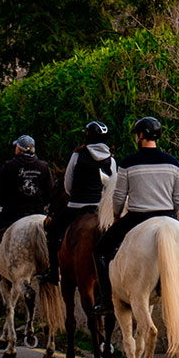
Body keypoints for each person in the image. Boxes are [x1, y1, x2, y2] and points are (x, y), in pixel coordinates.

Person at [93, 116, 179, 314]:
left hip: (137, 217)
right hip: (167, 214)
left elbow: (119, 196)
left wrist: (116, 214)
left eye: (136, 135)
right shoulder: (173, 162)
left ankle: (105, 301)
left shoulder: (128, 163)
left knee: (100, 251)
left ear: (141, 135)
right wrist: (171, 213)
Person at [41, 121, 115, 302]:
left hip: (77, 207)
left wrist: (76, 194)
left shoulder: (77, 155)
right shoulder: (111, 160)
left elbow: (67, 183)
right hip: (100, 210)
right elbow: (113, 185)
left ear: (87, 137)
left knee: (53, 230)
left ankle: (53, 271)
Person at [0, 135, 54, 280]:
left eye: (16, 147)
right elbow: (50, 193)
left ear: (19, 150)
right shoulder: (44, 166)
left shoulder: (8, 166)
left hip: (13, 213)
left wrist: (7, 204)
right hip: (38, 212)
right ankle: (54, 270)